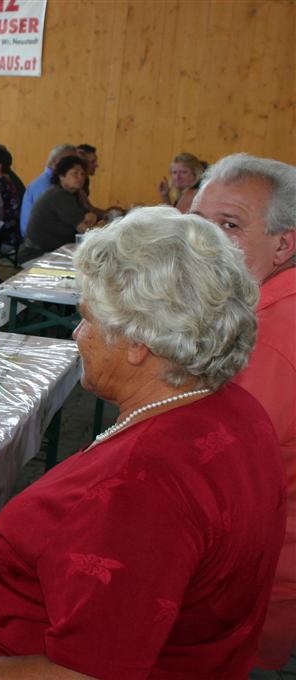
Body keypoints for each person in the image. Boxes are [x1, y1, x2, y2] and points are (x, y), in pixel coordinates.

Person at [0, 207, 285, 680]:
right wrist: (29, 545)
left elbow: (85, 673)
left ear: (139, 342)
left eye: (88, 320)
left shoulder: (143, 484)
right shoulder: (233, 409)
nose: (77, 336)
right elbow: (150, 562)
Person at [191, 153, 296, 671]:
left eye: (229, 226)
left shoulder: (270, 337)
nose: (204, 243)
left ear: (284, 244)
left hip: (250, 592)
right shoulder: (260, 308)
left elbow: (217, 471)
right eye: (198, 223)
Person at [19, 155, 97, 262]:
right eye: (75, 173)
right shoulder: (60, 196)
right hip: (36, 255)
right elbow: (85, 230)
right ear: (61, 176)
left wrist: (92, 217)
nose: (81, 177)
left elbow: (88, 217)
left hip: (53, 251)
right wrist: (97, 223)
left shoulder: (73, 194)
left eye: (82, 174)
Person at [19, 143, 77, 237]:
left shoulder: (61, 184)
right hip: (38, 244)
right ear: (54, 162)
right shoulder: (46, 185)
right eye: (68, 161)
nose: (74, 165)